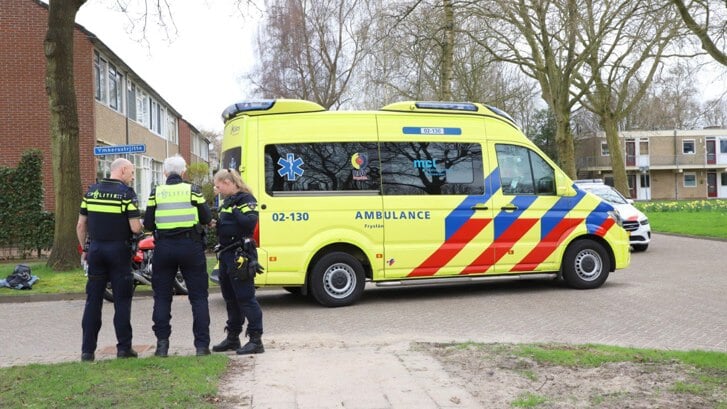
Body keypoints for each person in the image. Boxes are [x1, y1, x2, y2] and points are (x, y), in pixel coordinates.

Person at [144, 155, 213, 357]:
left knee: (162, 297)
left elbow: (148, 224)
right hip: (190, 246)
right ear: (184, 172)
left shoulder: (156, 193)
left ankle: (162, 346)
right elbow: (207, 218)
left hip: (164, 248)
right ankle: (202, 347)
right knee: (199, 297)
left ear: (165, 172)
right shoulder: (193, 190)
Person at [76, 158, 143, 362]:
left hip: (96, 250)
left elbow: (81, 225)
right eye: (131, 172)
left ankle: (87, 351)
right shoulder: (126, 194)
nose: (132, 177)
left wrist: (85, 249)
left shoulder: (91, 192)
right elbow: (135, 228)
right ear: (122, 170)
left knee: (93, 301)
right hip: (118, 251)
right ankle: (124, 348)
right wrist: (140, 224)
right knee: (122, 301)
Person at [211, 168, 265, 355]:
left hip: (240, 254)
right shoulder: (227, 201)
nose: (217, 190)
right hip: (226, 254)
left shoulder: (246, 199)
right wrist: (216, 224)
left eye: (218, 186)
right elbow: (228, 224)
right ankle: (233, 337)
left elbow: (249, 223)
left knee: (245, 298)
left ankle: (256, 340)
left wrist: (234, 210)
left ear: (228, 183)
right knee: (230, 299)